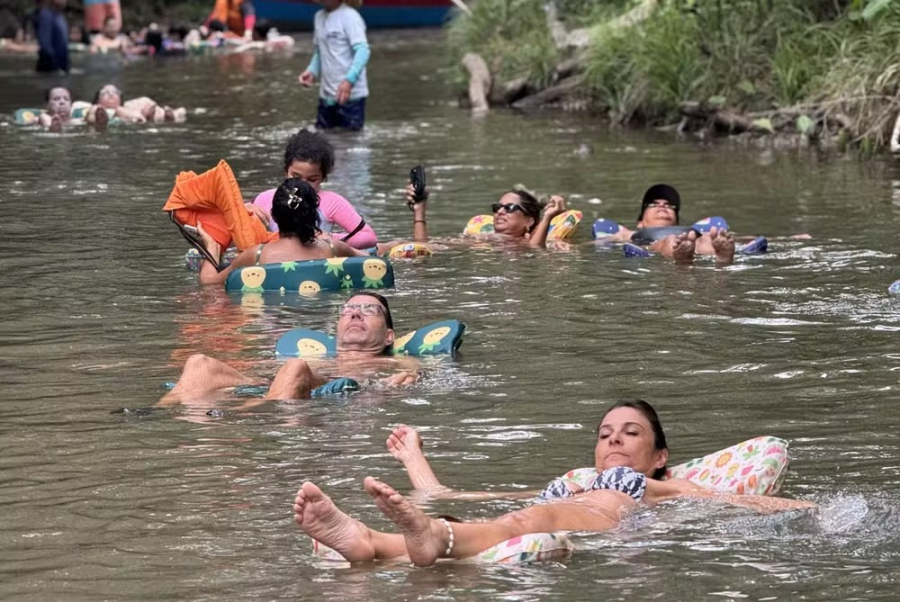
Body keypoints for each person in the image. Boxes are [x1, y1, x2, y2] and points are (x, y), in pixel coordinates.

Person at [293, 399, 817, 565]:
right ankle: (370, 543)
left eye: (631, 434)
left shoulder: (644, 484)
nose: (614, 441)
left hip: (600, 523)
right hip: (551, 510)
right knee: (508, 517)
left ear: (659, 456)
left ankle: (432, 539)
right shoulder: (572, 481)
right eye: (605, 433)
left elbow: (722, 498)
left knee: (530, 519)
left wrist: (805, 508)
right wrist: (414, 459)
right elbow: (455, 497)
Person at [161, 292, 418, 404]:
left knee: (296, 367)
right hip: (273, 387)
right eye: (348, 310)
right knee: (199, 363)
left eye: (369, 310)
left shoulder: (394, 363)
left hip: (327, 394)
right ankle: (158, 411)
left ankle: (249, 414)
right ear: (336, 328)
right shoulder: (317, 357)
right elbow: (263, 374)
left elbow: (412, 378)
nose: (356, 315)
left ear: (388, 336)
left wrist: (390, 386)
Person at [197, 178, 369, 285]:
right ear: (314, 217)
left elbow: (209, 283)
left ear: (274, 217)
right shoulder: (334, 249)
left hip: (271, 334)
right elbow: (372, 262)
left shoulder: (255, 256)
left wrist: (211, 247)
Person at [250, 129, 378, 249]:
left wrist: (331, 239)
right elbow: (237, 229)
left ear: (323, 178)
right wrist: (245, 210)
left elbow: (368, 236)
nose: (303, 185)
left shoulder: (333, 202)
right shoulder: (265, 199)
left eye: (312, 179)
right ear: (285, 171)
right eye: (296, 177)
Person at [381, 182, 568, 251]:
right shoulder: (483, 237)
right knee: (400, 244)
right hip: (435, 249)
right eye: (497, 207)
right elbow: (423, 245)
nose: (500, 212)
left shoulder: (523, 245)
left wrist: (548, 217)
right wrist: (419, 210)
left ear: (529, 220)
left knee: (396, 246)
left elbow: (535, 248)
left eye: (509, 207)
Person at [605, 184, 735, 264]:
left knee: (707, 239)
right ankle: (682, 257)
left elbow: (734, 238)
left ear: (677, 220)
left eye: (669, 205)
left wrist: (723, 240)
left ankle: (722, 258)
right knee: (670, 240)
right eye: (653, 204)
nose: (662, 206)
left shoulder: (691, 231)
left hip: (692, 238)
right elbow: (603, 242)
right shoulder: (628, 233)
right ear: (640, 222)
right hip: (655, 243)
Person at [298, 0, 370, 131]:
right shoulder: (319, 17)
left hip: (351, 97)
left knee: (351, 141)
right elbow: (321, 51)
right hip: (327, 94)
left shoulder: (350, 16)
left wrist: (349, 80)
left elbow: (363, 51)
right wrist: (312, 70)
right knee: (323, 139)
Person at [76, 84, 187, 126]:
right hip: (100, 118)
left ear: (121, 98)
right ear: (97, 100)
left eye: (114, 92)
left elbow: (140, 118)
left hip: (136, 120)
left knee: (155, 112)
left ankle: (170, 115)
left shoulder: (131, 107)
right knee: (94, 113)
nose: (110, 95)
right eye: (105, 93)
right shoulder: (91, 107)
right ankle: (99, 122)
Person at [35, 0, 68, 74]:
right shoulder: (46, 16)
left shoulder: (60, 17)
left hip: (61, 68)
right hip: (50, 69)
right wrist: (55, 67)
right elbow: (45, 45)